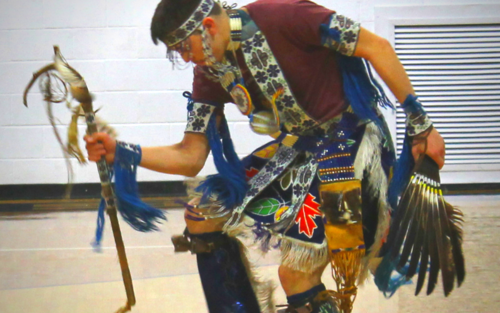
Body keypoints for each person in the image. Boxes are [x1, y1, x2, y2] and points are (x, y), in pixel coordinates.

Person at [85, 0, 445, 312]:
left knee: (296, 274)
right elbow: (190, 155)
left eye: (183, 47)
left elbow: (376, 45)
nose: (185, 57)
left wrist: (421, 126)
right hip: (299, 147)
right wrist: (122, 152)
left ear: (208, 26)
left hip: (350, 139)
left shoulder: (286, 15)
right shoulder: (210, 70)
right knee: (202, 216)